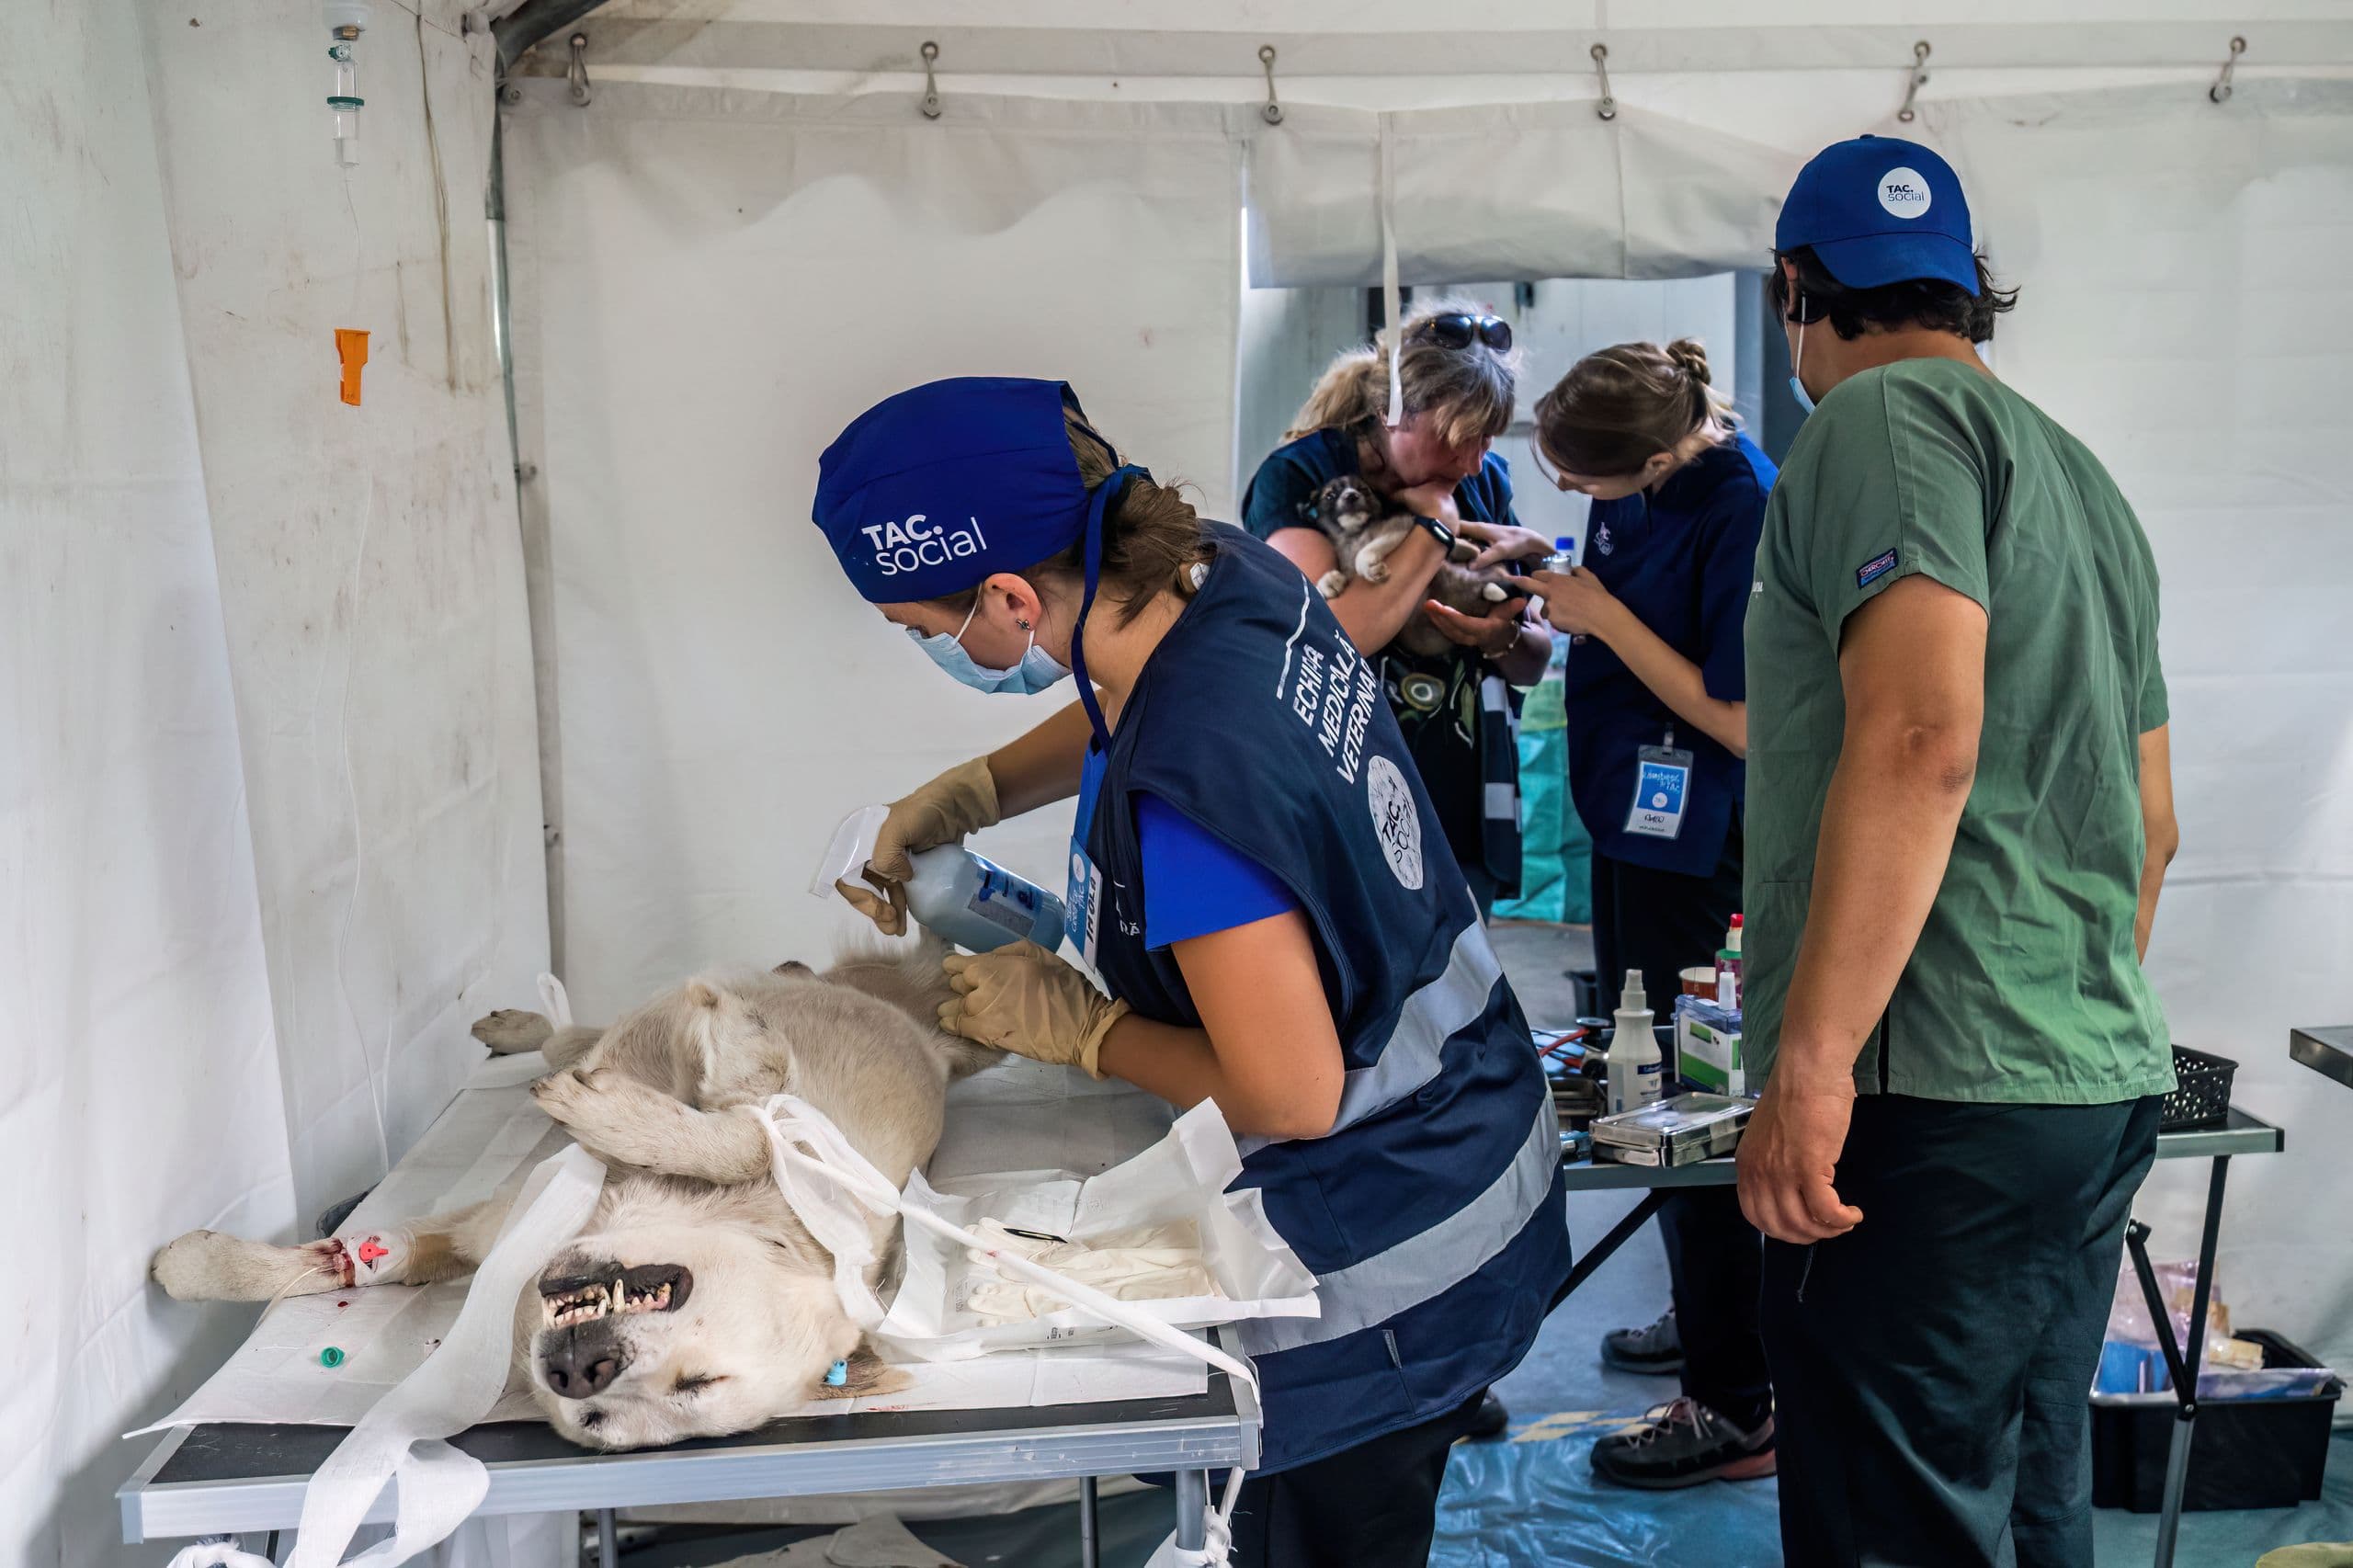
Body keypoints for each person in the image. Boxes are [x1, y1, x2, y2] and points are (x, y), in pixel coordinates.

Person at [811, 377, 1571, 1568]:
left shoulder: (1197, 799)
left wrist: (1083, 1029)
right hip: (1480, 1125)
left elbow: (1289, 1097)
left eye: (932, 631)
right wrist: (973, 789)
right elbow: (1131, 697)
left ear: (1009, 596)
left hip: (1382, 1262)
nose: (938, 651)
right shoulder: (1215, 568)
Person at [1733, 136, 2178, 1567]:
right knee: (2033, 1491)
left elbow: (1925, 736)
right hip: (2086, 1076)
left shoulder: (1877, 427)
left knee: (1899, 1516)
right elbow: (2153, 822)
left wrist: (1812, 1064)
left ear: (1795, 288)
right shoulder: (2080, 477)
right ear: (1967, 287)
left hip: (1930, 1090)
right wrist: (2059, 1018)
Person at [1515, 339, 1776, 1489]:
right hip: (1636, 828)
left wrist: (1600, 617)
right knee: (1652, 1086)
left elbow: (1740, 719)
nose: (1570, 496)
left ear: (1664, 448)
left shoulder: (1742, 507)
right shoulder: (1654, 482)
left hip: (1703, 841)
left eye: (1582, 481)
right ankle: (1701, 1307)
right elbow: (1619, 593)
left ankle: (1737, 1400)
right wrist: (1546, 575)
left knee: (1694, 1104)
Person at [1241, 299, 1555, 915]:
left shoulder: (1482, 480)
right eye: (1457, 441)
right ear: (1395, 415)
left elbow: (1534, 659)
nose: (1471, 464)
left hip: (1458, 813)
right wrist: (1432, 528)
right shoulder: (1301, 476)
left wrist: (1497, 639)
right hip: (1340, 806)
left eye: (1486, 442)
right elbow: (1337, 637)